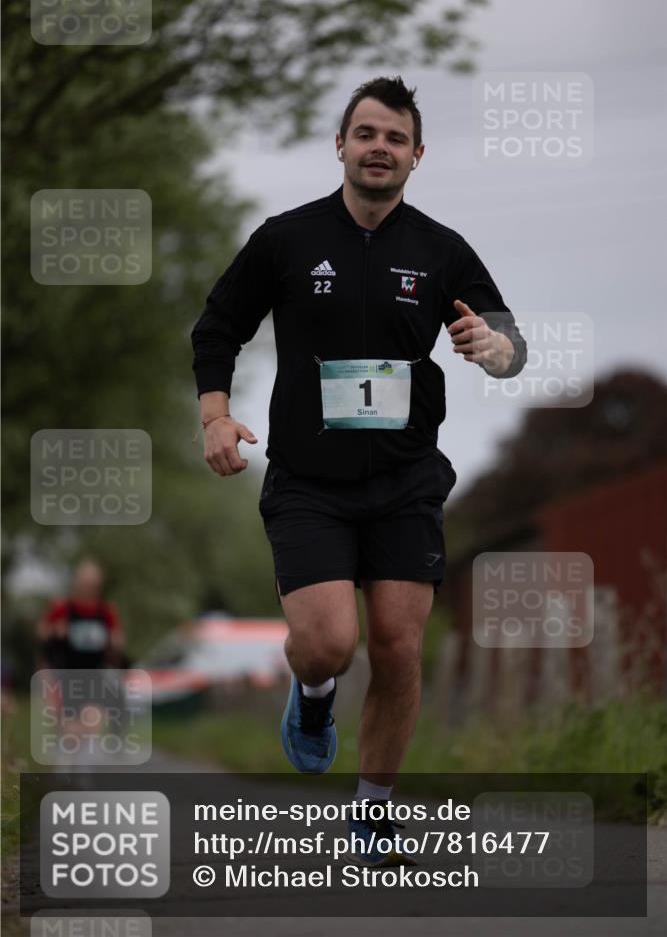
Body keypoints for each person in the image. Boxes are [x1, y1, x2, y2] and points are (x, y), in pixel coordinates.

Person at [191, 76, 527, 865]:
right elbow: (217, 327)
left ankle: (373, 813)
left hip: (406, 478)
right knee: (327, 646)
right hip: (308, 480)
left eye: (395, 138)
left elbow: (509, 343)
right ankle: (311, 700)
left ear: (417, 155)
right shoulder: (284, 238)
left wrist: (495, 350)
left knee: (399, 647)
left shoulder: (440, 250)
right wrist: (214, 416)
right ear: (340, 145)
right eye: (366, 134)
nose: (380, 148)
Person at [37, 558, 125, 671]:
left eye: (93, 584)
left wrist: (112, 640)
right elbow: (41, 633)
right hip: (64, 669)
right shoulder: (62, 607)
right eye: (86, 583)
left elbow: (118, 638)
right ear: (78, 582)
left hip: (95, 670)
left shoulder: (106, 610)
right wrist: (55, 630)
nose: (89, 588)